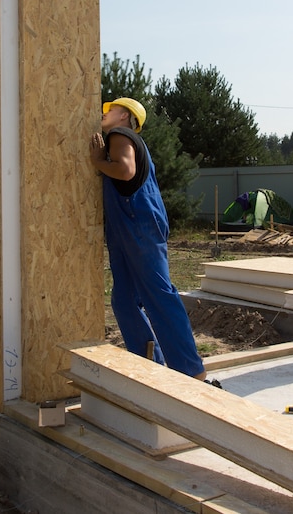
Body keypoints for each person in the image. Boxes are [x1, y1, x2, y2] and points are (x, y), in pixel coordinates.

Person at [89, 97, 221, 386]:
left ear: (124, 116)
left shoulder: (121, 135)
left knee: (159, 295)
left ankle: (191, 369)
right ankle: (148, 361)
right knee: (124, 300)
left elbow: (126, 171)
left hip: (140, 222)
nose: (104, 113)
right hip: (127, 226)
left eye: (110, 110)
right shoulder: (123, 137)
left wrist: (97, 161)